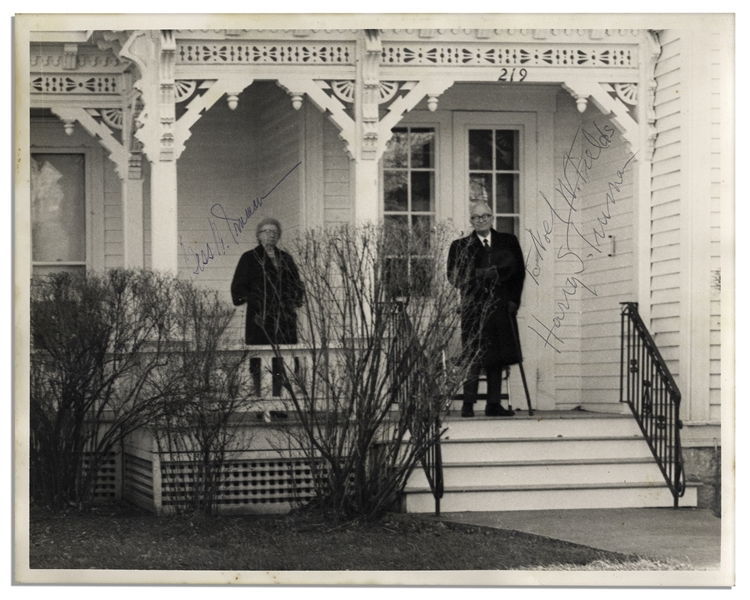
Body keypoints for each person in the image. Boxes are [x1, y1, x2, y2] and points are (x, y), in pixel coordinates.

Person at [447, 202, 526, 418]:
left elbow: (519, 274)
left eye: (485, 216)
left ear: (492, 218)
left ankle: (493, 405)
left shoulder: (508, 242)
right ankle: (468, 405)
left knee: (498, 356)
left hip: (501, 306)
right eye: (476, 217)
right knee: (474, 355)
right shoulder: (460, 245)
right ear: (470, 220)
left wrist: (513, 302)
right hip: (474, 308)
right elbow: (453, 276)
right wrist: (479, 274)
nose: (481, 220)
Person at [231, 217, 304, 346]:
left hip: (284, 316)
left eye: (275, 232)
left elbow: (296, 285)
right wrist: (256, 300)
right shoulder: (249, 258)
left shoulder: (286, 258)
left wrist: (292, 301)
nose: (272, 235)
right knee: (260, 353)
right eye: (267, 231)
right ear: (259, 235)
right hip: (260, 316)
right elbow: (238, 288)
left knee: (286, 354)